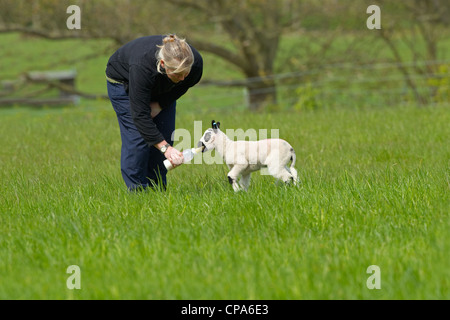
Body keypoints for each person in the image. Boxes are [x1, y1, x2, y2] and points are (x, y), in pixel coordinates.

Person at [106, 34, 203, 191]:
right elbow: (140, 115)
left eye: (186, 73)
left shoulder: (194, 65)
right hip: (124, 82)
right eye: (178, 74)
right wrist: (165, 148)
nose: (183, 78)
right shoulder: (142, 67)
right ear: (163, 64)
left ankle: (157, 190)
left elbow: (183, 85)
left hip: (162, 86)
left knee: (164, 134)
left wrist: (160, 104)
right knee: (138, 138)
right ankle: (137, 193)